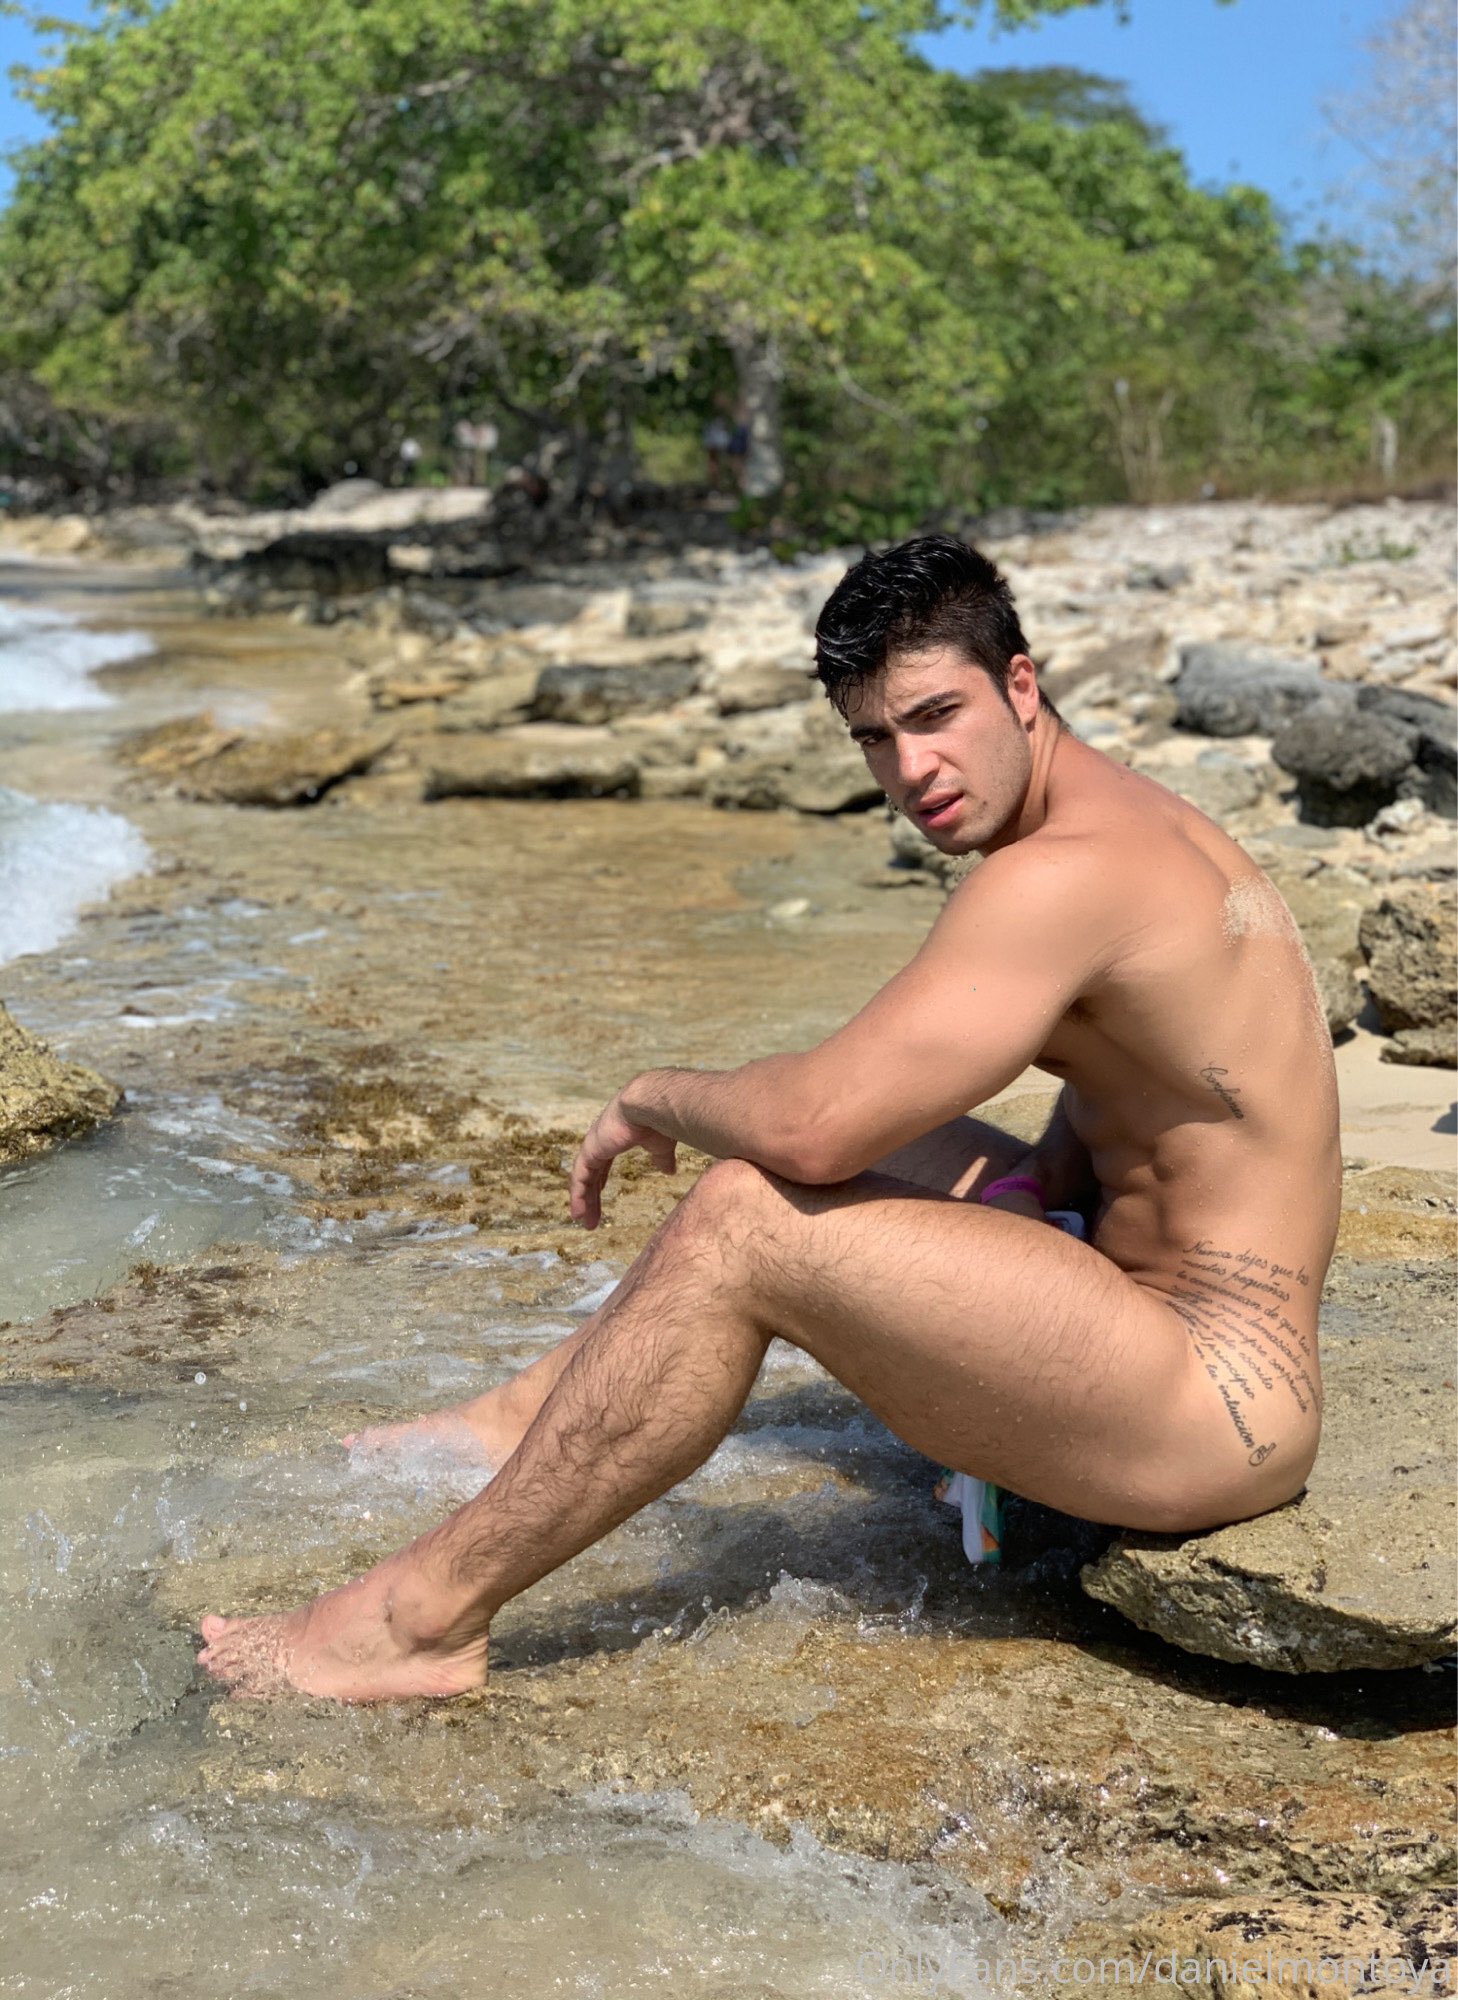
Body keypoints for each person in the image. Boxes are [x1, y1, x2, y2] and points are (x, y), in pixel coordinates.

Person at [198, 534, 1340, 1701]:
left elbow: (810, 1131)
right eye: (875, 738)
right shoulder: (1123, 821)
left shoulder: (1063, 872)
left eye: (936, 715)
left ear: (1020, 684)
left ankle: (418, 1619)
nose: (913, 768)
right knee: (856, 1117)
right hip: (1144, 1302)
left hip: (1214, 1398)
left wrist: (653, 1093)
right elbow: (1111, 1127)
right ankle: (519, 1416)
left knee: (745, 1213)